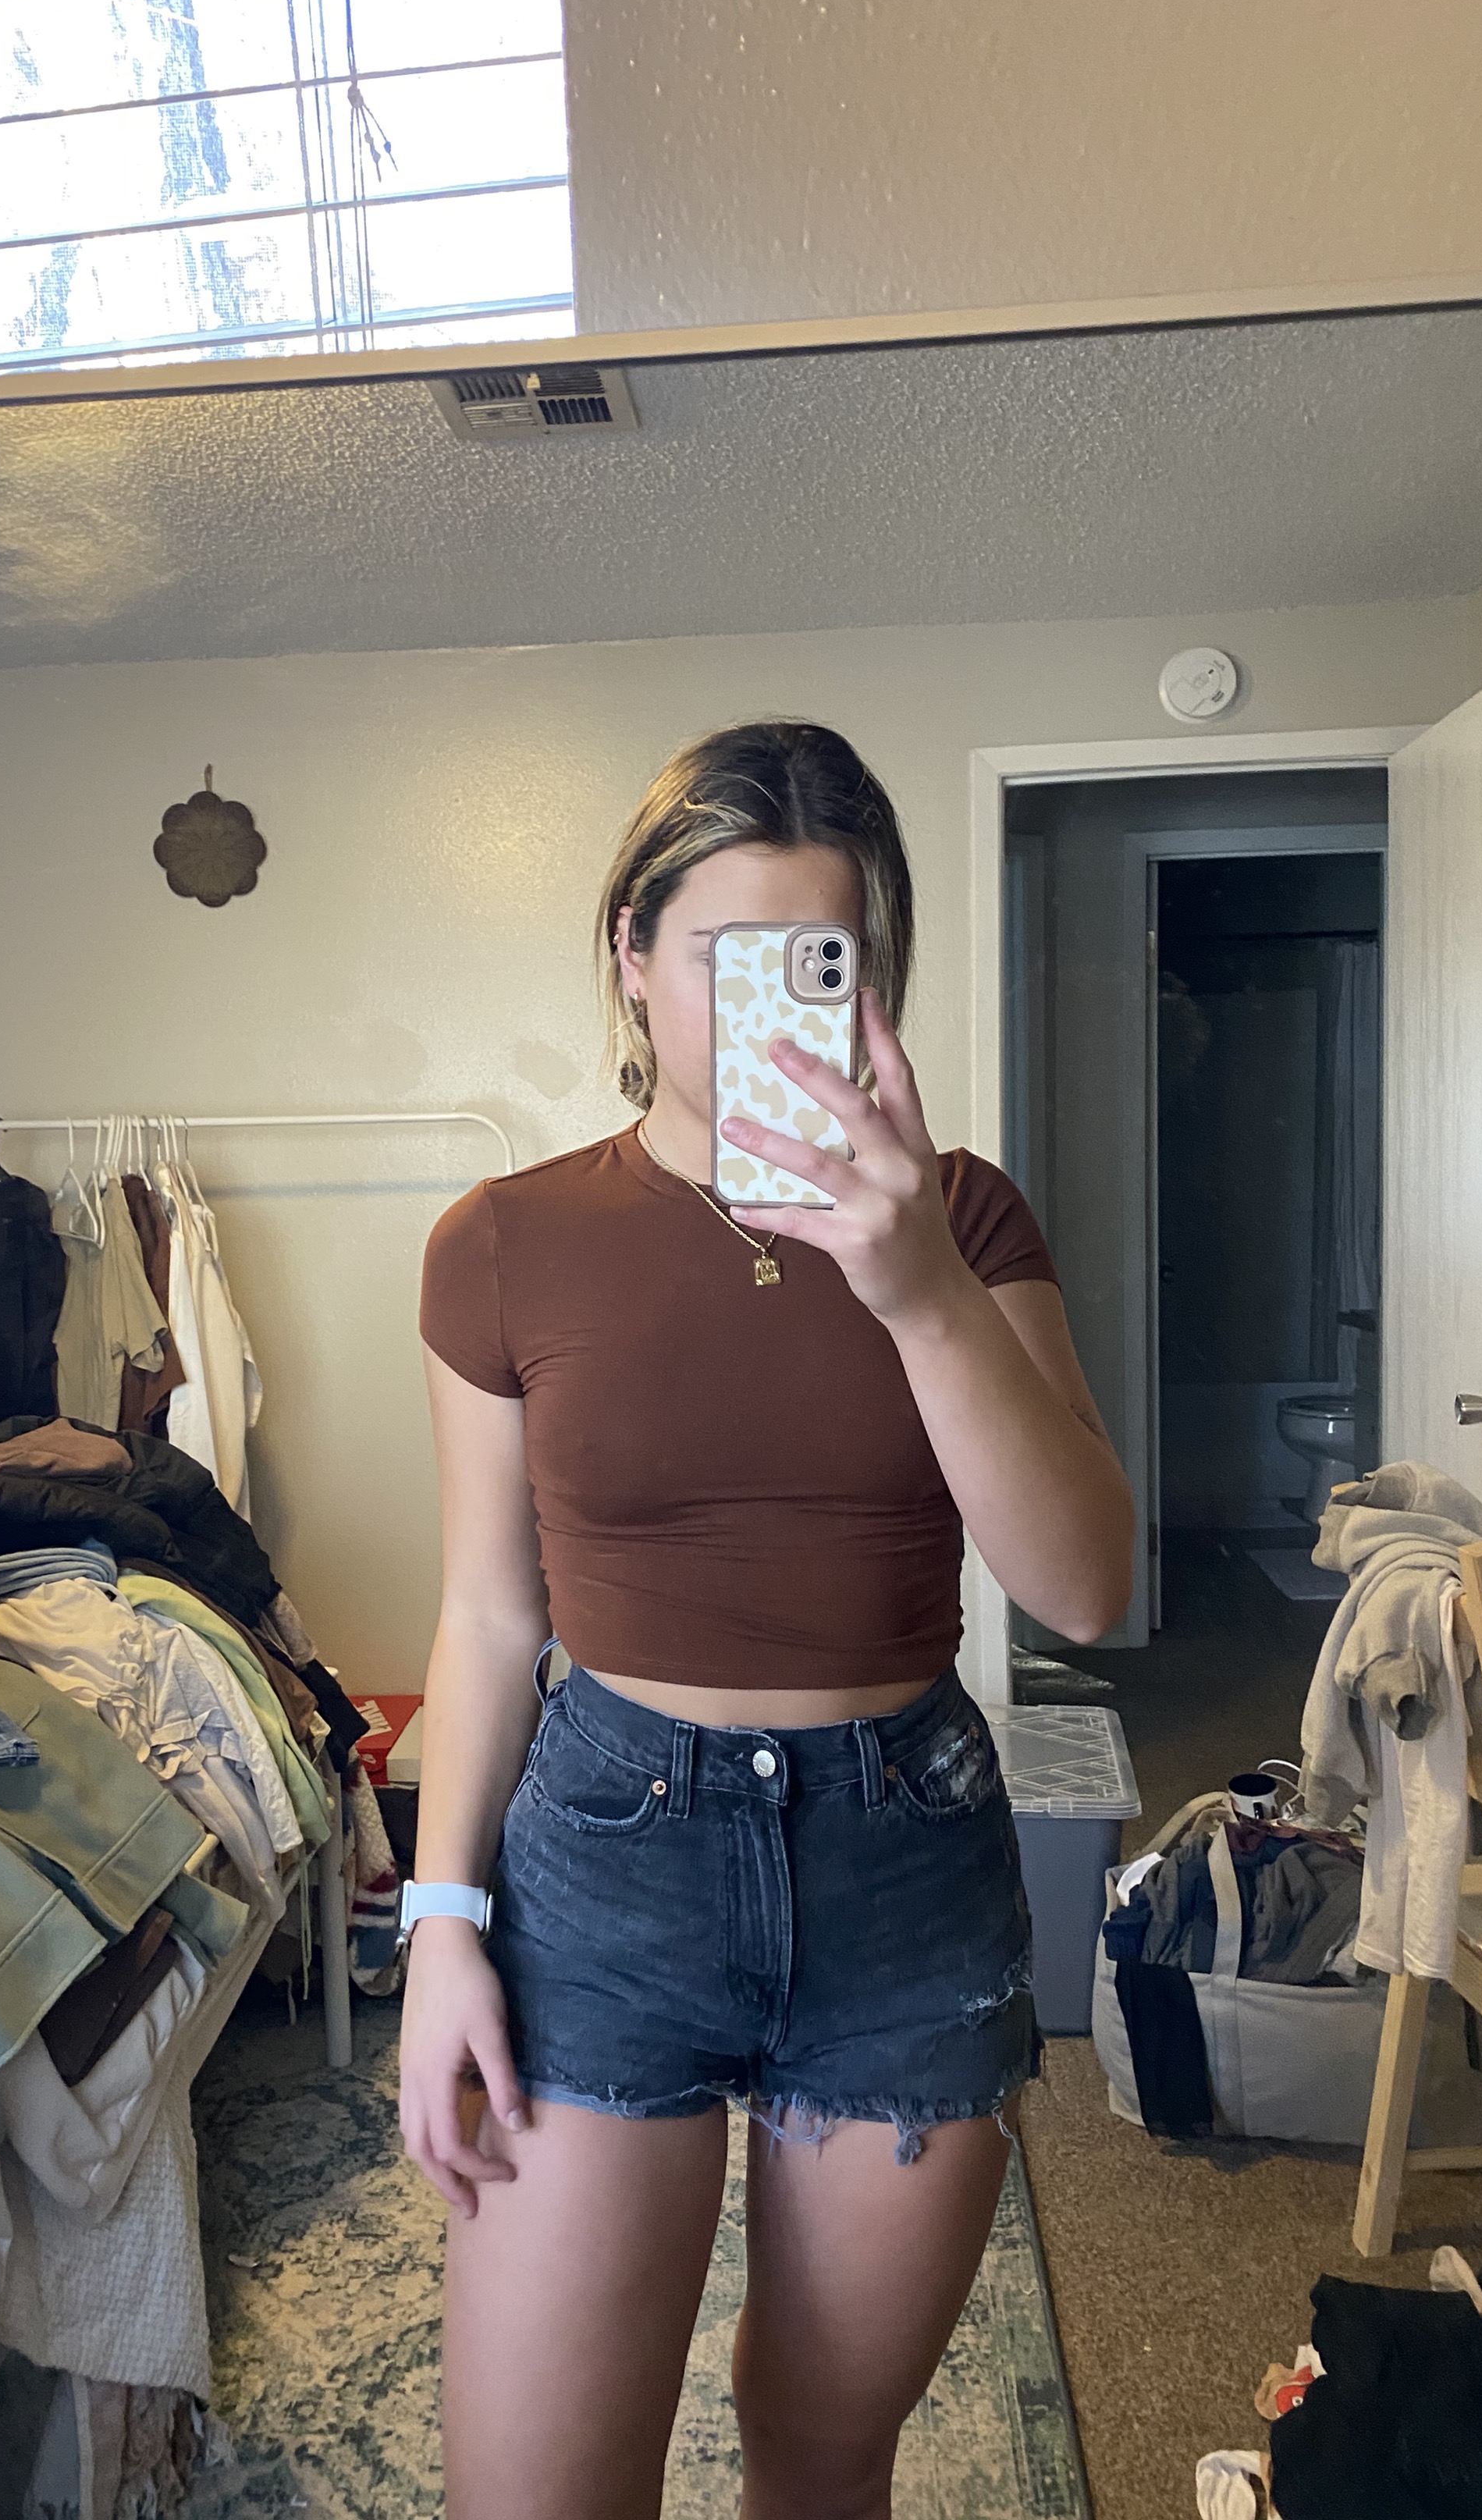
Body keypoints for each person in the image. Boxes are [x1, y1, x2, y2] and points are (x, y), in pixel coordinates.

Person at [403, 720, 1133, 2520]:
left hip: (906, 1869)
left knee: (819, 2457)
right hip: (610, 1860)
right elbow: (489, 1617)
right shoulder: (501, 1243)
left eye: (827, 959)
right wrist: (437, 1928)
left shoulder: (964, 1220)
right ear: (632, 961)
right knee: (540, 2493)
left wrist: (918, 1290)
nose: (775, 1010)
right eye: (729, 957)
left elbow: (1084, 1589)